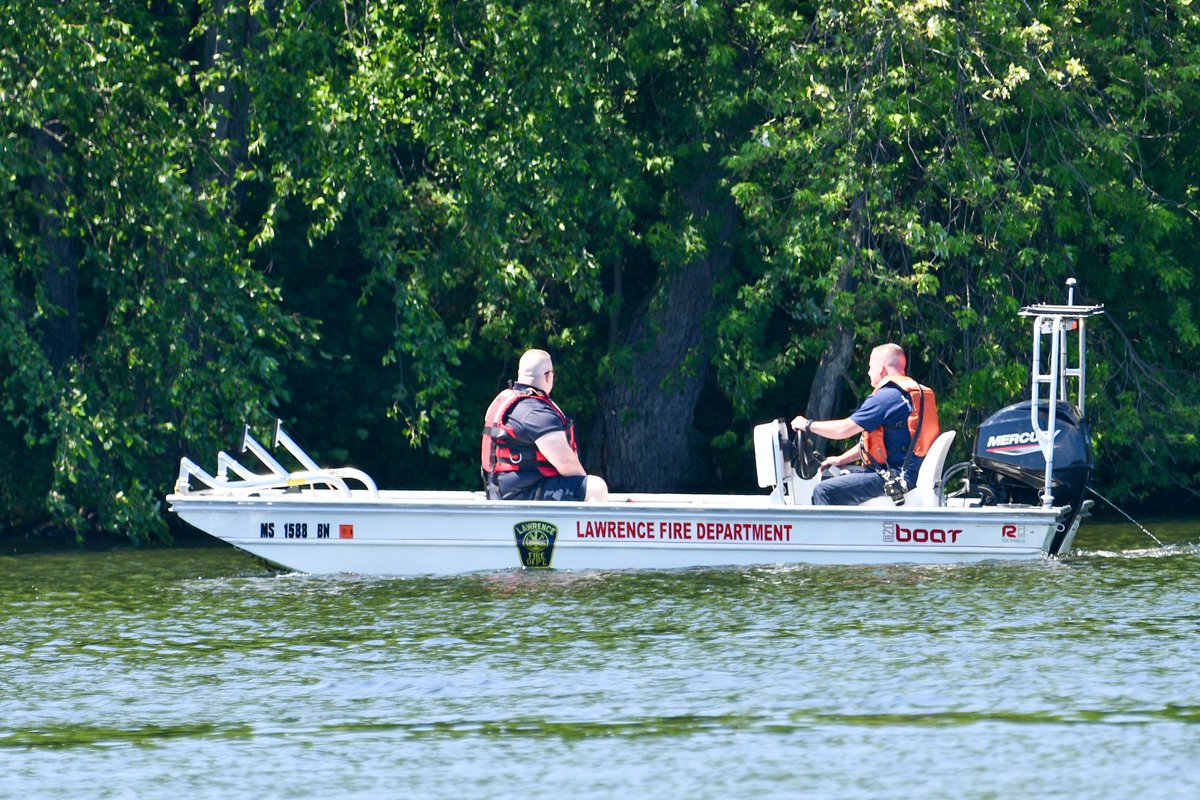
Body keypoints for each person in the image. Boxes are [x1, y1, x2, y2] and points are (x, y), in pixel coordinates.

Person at [791, 343, 939, 506]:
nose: (868, 372)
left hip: (897, 478)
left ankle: (830, 532)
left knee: (824, 491)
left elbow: (843, 430)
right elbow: (873, 444)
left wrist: (807, 424)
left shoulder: (885, 398)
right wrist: (840, 459)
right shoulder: (914, 394)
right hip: (911, 474)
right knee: (842, 475)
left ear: (881, 367)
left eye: (870, 366)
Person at [481, 349, 609, 501]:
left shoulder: (504, 401)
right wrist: (583, 487)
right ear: (548, 376)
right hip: (524, 494)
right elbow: (567, 464)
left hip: (501, 491)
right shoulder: (536, 412)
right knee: (596, 488)